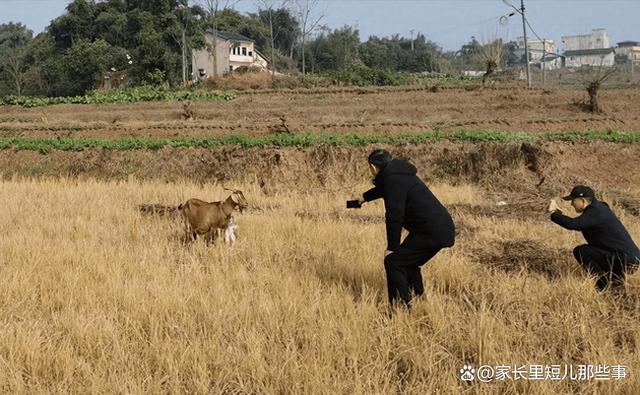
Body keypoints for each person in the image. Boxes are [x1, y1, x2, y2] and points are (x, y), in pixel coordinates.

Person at [355, 149, 455, 307]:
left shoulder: (393, 181)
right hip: (439, 228)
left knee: (394, 262)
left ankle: (400, 308)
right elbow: (384, 189)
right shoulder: (398, 175)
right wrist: (361, 199)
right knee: (409, 263)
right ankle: (420, 300)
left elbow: (394, 217)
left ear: (373, 167)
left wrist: (392, 247)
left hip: (431, 231)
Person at [549, 185, 640, 291]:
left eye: (573, 200)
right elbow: (581, 223)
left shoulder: (596, 211)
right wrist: (561, 215)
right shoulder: (599, 209)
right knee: (615, 283)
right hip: (627, 258)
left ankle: (603, 284)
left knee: (581, 251)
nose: (571, 203)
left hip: (623, 258)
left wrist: (553, 214)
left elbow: (573, 224)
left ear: (582, 200)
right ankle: (615, 292)